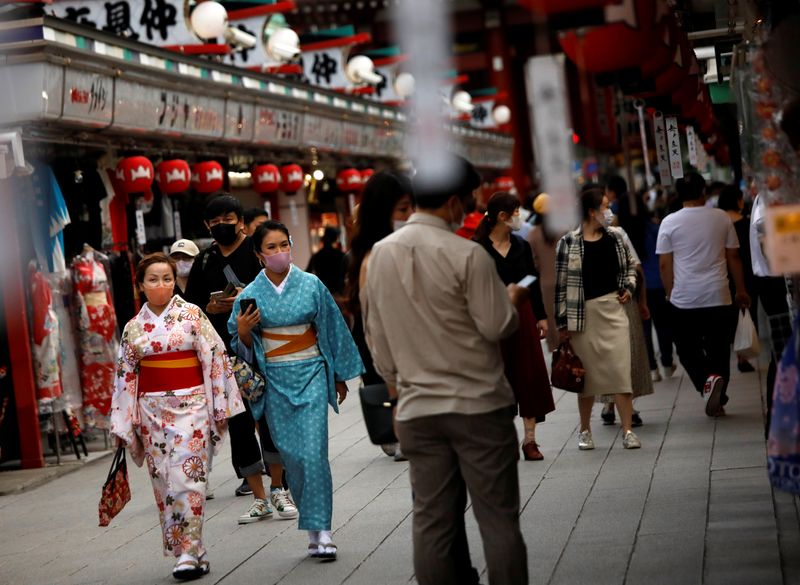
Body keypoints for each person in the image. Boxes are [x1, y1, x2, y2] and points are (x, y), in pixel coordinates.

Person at [363, 155, 528, 585]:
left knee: (433, 523)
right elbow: (496, 326)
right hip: (477, 405)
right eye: (470, 200)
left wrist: (398, 391)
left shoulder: (378, 256)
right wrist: (510, 302)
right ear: (454, 202)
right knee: (498, 521)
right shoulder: (467, 254)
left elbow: (376, 341)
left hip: (418, 409)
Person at [229, 220, 364, 561]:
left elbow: (331, 327)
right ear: (259, 255)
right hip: (274, 380)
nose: (279, 252)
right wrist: (244, 331)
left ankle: (323, 530)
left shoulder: (311, 284)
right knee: (294, 457)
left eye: (283, 245)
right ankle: (312, 524)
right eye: (270, 248)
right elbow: (239, 344)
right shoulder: (249, 295)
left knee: (315, 453)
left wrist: (338, 376)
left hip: (312, 373)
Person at [110, 253, 245, 581]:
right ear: (141, 285)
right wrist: (123, 423)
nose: (161, 285)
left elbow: (214, 358)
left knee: (188, 475)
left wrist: (219, 407)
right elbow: (126, 375)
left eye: (167, 279)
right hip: (151, 412)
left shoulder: (192, 315)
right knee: (164, 483)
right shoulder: (133, 328)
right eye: (153, 279)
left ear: (175, 281)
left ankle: (186, 552)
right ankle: (194, 551)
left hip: (192, 406)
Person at [185, 194, 296, 522]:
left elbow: (282, 290)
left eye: (228, 219)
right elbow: (191, 306)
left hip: (265, 349)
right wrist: (211, 307)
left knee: (272, 418)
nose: (222, 226)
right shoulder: (204, 260)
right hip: (224, 354)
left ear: (241, 221)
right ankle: (259, 496)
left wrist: (246, 298)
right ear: (207, 226)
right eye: (215, 222)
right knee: (241, 423)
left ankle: (279, 488)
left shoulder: (258, 251)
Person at [656, 172, 751, 417]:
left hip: (684, 298)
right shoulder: (721, 218)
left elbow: (665, 265)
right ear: (703, 192)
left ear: (679, 195)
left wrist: (669, 292)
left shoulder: (669, 222)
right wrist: (740, 289)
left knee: (686, 348)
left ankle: (707, 381)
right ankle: (717, 396)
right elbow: (734, 256)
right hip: (719, 294)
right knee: (719, 347)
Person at [555, 185, 641, 450]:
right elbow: (561, 285)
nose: (609, 211)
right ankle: (584, 430)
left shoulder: (616, 236)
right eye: (605, 206)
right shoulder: (568, 242)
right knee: (587, 379)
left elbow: (631, 266)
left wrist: (628, 287)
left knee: (620, 372)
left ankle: (627, 431)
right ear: (592, 212)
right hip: (583, 316)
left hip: (614, 311)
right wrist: (562, 323)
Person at [473, 191, 555, 461]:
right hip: (491, 318)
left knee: (528, 375)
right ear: (502, 217)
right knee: (499, 378)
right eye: (516, 212)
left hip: (522, 315)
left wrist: (541, 316)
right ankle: (504, 439)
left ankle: (530, 440)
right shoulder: (478, 248)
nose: (519, 217)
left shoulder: (520, 245)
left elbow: (532, 277)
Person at [345, 171, 414, 461]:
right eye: (402, 209)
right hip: (406, 371)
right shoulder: (371, 258)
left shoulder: (411, 246)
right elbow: (377, 332)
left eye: (413, 207)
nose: (410, 216)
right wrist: (395, 394)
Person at [718, 185, 758, 373]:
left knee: (730, 316)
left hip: (723, 274)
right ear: (737, 201)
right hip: (746, 273)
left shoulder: (718, 223)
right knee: (748, 312)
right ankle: (744, 356)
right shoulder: (746, 224)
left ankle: (736, 352)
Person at [641, 202, 676, 380]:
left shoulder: (622, 233)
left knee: (645, 330)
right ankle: (667, 364)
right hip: (657, 284)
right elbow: (664, 258)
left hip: (637, 287)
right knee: (663, 326)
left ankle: (652, 370)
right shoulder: (654, 228)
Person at [527, 193, 564, 353]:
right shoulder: (563, 229)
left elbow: (533, 263)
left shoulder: (532, 235)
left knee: (553, 325)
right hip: (565, 281)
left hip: (545, 286)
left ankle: (560, 363)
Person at [307, 226, 346, 295]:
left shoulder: (316, 256)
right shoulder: (341, 255)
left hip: (322, 294)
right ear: (335, 239)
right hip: (339, 295)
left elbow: (307, 274)